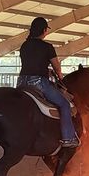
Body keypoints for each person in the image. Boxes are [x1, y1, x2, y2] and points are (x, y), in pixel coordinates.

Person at [16, 17, 80, 147]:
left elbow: (31, 63)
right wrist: (60, 76)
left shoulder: (24, 46)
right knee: (64, 104)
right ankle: (68, 138)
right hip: (39, 83)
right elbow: (57, 67)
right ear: (44, 30)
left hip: (22, 82)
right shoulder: (47, 47)